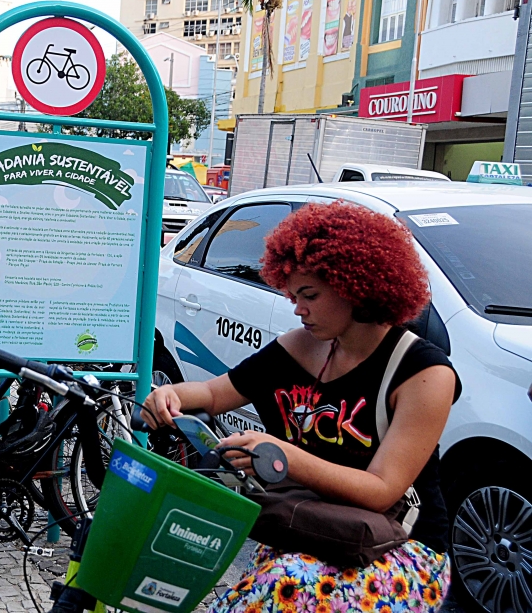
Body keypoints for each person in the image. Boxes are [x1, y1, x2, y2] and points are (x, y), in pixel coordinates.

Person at [143, 201, 458, 612]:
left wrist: (282, 457)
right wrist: (172, 395)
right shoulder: (299, 346)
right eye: (292, 295)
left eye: (309, 295)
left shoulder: (424, 373)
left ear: (356, 285)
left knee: (283, 589)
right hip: (306, 528)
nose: (297, 309)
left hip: (398, 549)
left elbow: (381, 491)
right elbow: (217, 393)